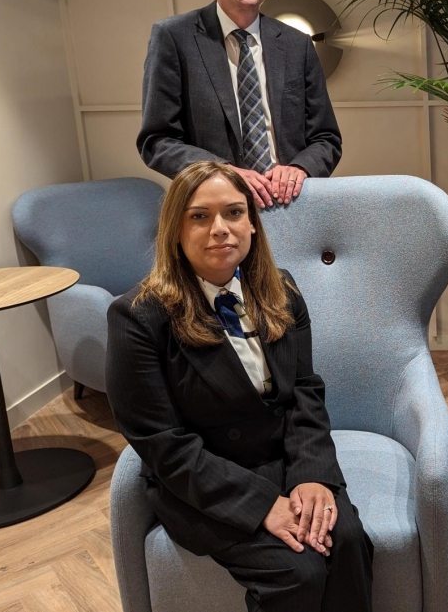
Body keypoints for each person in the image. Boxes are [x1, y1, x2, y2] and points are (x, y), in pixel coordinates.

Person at [106, 161, 372, 612]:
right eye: (199, 216)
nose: (220, 229)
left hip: (286, 458)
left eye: (233, 213)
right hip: (206, 479)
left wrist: (312, 475)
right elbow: (162, 444)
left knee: (346, 540)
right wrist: (262, 504)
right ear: (175, 229)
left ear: (251, 223)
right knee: (297, 572)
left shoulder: (281, 289)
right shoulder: (138, 317)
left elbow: (305, 389)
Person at [138, 0, 342, 209]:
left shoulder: (297, 44)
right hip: (215, 208)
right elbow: (156, 141)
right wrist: (222, 174)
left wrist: (300, 169)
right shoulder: (173, 37)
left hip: (291, 206)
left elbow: (326, 138)